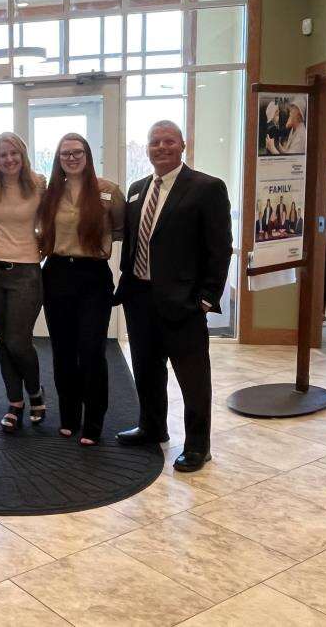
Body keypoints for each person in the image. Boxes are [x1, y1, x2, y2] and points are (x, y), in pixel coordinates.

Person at [115, 120, 232, 473]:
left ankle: (198, 446)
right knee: (147, 370)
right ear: (147, 148)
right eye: (155, 142)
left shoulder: (206, 188)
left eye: (168, 141)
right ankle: (152, 427)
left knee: (192, 378)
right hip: (140, 297)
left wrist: (208, 298)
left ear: (183, 145)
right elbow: (134, 241)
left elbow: (219, 248)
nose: (161, 148)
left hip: (184, 302)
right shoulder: (137, 189)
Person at [37, 134, 125, 445]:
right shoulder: (50, 194)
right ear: (58, 159)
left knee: (91, 350)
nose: (71, 158)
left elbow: (120, 229)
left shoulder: (107, 191)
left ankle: (94, 420)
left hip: (93, 277)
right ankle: (70, 416)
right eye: (65, 154)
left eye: (77, 152)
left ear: (87, 155)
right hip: (58, 273)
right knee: (63, 352)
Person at [0, 132, 47, 432]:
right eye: (3, 154)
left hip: (26, 273)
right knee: (4, 342)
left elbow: (52, 220)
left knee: (19, 341)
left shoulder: (38, 183)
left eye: (14, 153)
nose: (9, 159)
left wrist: (41, 247)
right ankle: (14, 403)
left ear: (22, 155)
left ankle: (35, 392)